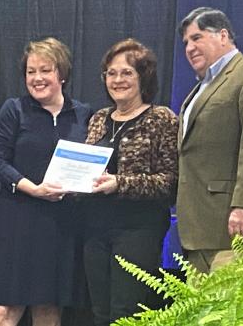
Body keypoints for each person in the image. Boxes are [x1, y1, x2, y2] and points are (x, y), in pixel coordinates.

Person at [0, 37, 92, 326]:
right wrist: (34, 189)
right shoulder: (14, 109)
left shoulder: (84, 114)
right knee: (4, 311)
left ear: (62, 74)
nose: (37, 78)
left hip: (61, 224)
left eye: (45, 70)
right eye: (31, 71)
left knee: (48, 310)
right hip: (18, 220)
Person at [176, 7, 243, 274]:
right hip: (199, 232)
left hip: (237, 226)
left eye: (197, 37)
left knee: (238, 314)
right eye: (186, 42)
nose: (190, 48)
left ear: (223, 35)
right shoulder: (198, 90)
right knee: (201, 315)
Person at [81, 38, 178, 326]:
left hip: (139, 229)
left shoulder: (161, 119)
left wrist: (119, 184)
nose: (118, 80)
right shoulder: (98, 118)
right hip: (95, 228)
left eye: (127, 73)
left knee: (127, 314)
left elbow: (170, 183)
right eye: (111, 73)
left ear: (143, 77)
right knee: (99, 313)